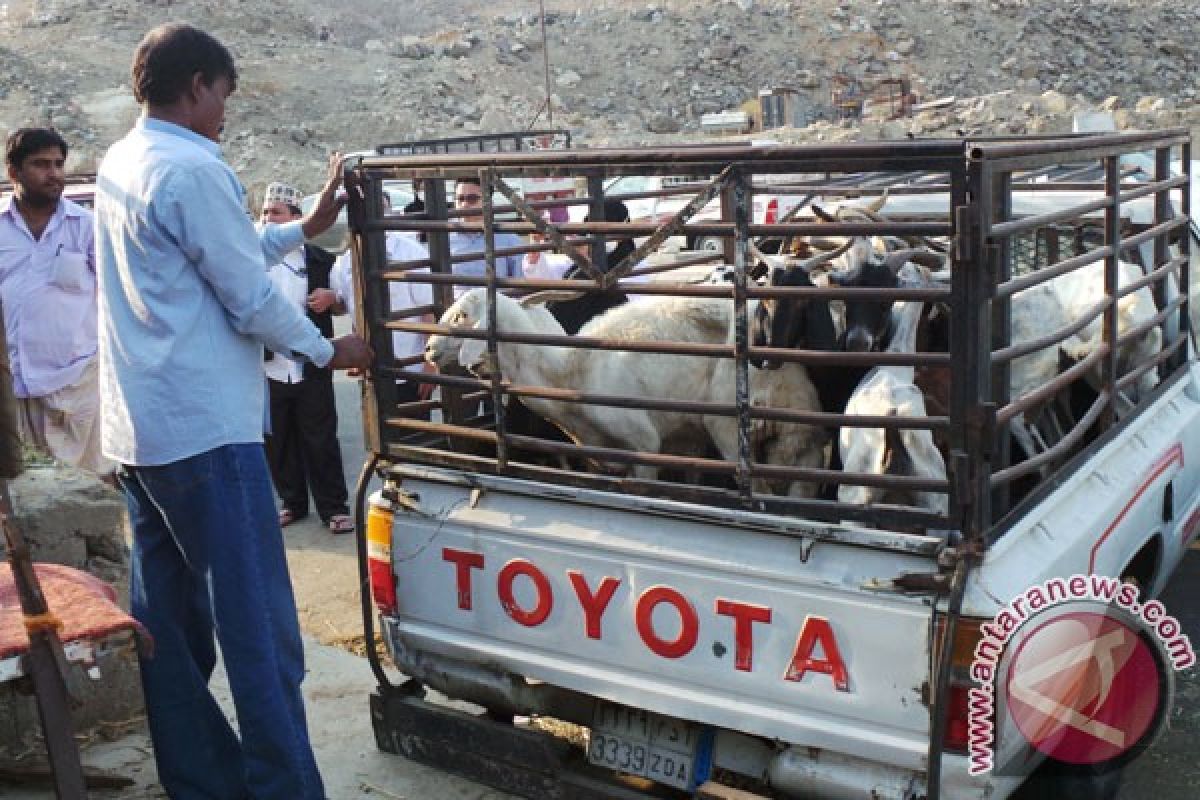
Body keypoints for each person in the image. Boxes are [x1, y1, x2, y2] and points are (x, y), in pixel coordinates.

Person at [92, 24, 371, 800]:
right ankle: (284, 788)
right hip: (207, 433)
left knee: (173, 636)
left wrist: (301, 228)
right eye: (223, 95)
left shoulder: (127, 158)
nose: (226, 112)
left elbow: (216, 244)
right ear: (197, 85)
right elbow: (249, 296)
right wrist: (327, 351)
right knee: (260, 634)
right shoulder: (190, 166)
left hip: (142, 434)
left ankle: (202, 782)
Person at [0, 127, 112, 475]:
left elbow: (113, 295)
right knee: (25, 489)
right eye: (41, 164)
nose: (54, 174)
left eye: (58, 164)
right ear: (13, 172)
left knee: (93, 486)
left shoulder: (85, 226)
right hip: (13, 387)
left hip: (77, 384)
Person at [259, 181, 353, 532]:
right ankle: (292, 502)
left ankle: (334, 508)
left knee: (320, 437)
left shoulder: (319, 260)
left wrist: (331, 298)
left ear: (297, 219)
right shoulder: (255, 260)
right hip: (269, 364)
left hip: (312, 361)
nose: (269, 219)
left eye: (277, 213)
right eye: (266, 212)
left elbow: (345, 299)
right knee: (278, 438)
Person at [448, 176, 524, 294]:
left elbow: (521, 286)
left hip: (497, 308)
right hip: (456, 310)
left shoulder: (509, 239)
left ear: (489, 203)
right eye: (460, 199)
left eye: (472, 199)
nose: (464, 204)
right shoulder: (444, 237)